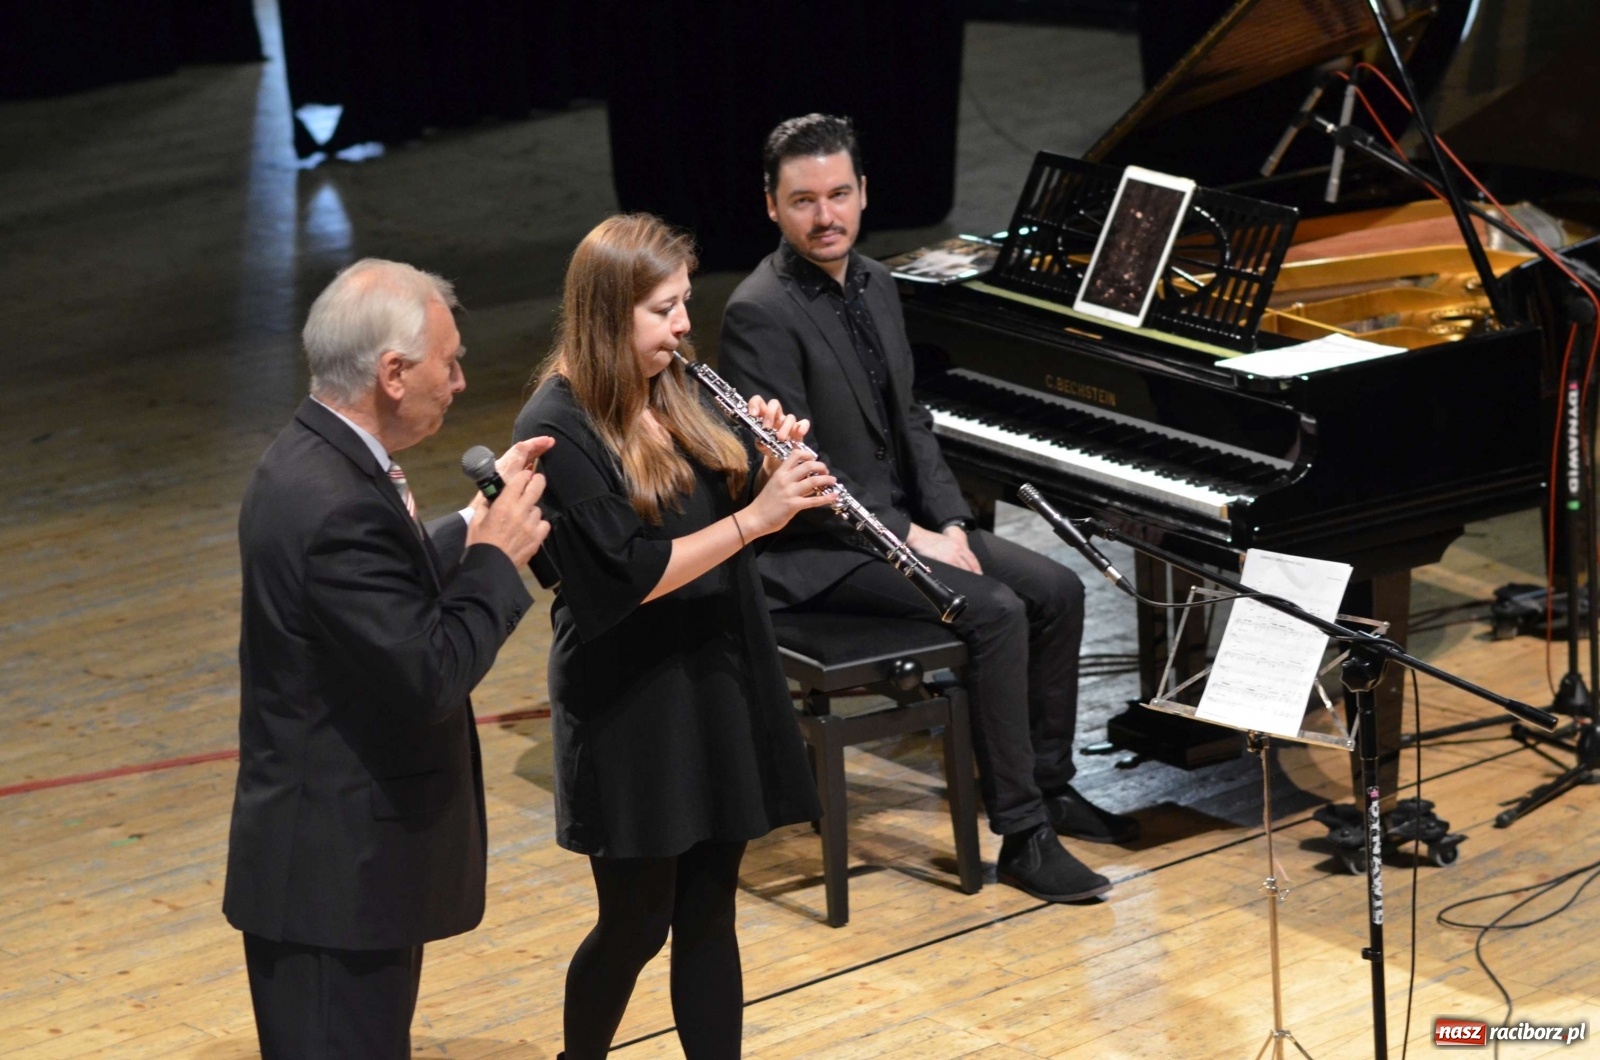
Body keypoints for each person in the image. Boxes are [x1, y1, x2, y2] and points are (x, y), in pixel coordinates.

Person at [719, 113, 1140, 905]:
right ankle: (1023, 835)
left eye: (839, 194)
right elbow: (801, 471)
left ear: (863, 192)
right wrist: (911, 538)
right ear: (772, 205)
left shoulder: (877, 283)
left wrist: (950, 523)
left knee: (1058, 589)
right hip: (818, 551)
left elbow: (911, 420)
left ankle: (1049, 785)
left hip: (902, 525)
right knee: (996, 611)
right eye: (804, 200)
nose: (826, 215)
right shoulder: (759, 311)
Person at [512, 214, 832, 1060]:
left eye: (684, 302)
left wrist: (770, 473)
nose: (684, 325)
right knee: (638, 920)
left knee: (710, 912)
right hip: (631, 699)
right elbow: (629, 576)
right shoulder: (556, 426)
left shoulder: (676, 385)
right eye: (663, 309)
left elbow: (715, 513)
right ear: (608, 313)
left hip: (715, 669)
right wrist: (757, 518)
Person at [224, 258, 553, 1058]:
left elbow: (375, 595)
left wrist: (470, 525)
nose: (461, 382)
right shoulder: (336, 501)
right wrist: (496, 558)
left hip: (336, 872)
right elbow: (431, 672)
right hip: (335, 882)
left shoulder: (309, 459)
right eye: (450, 363)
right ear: (394, 373)